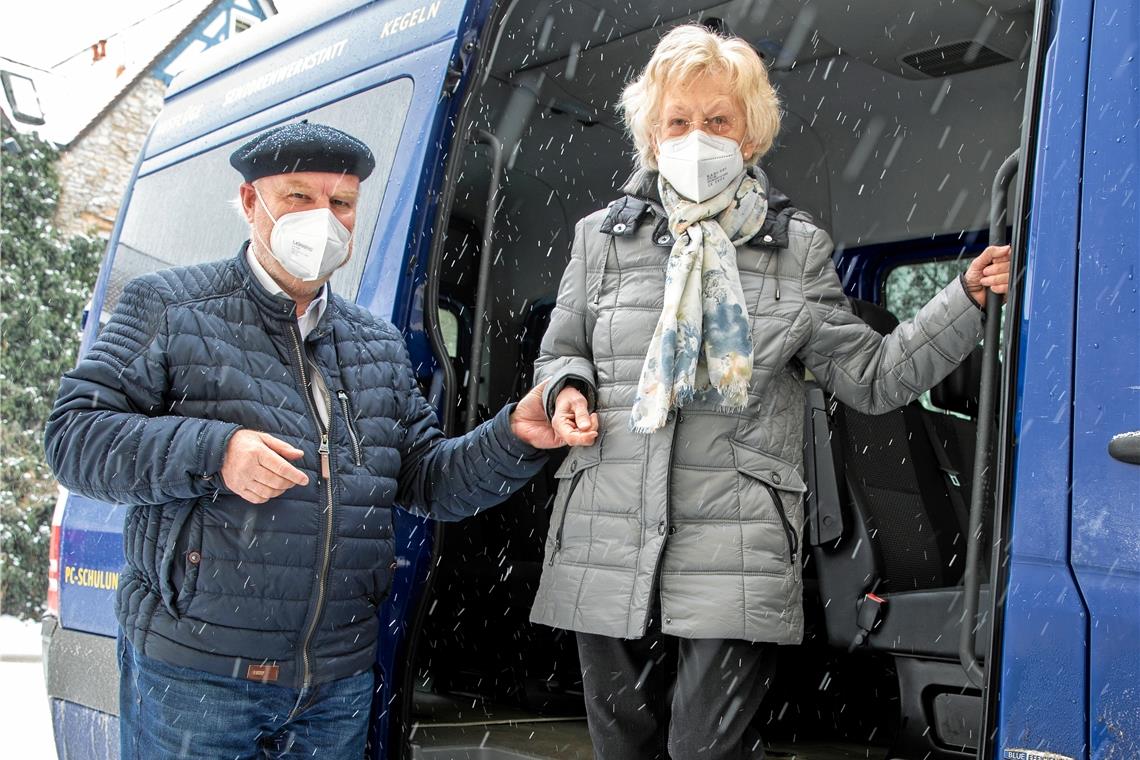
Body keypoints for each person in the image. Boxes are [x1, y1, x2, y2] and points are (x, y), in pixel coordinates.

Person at [529, 25, 1011, 760]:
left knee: (704, 750)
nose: (698, 137)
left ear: (749, 136)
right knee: (621, 748)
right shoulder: (601, 239)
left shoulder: (794, 248)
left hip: (737, 542)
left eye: (717, 120)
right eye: (679, 121)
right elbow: (563, 348)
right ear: (652, 138)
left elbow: (875, 378)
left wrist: (965, 298)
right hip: (607, 531)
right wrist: (567, 386)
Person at [44, 120, 563, 759]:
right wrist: (216, 452)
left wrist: (513, 435)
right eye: (299, 197)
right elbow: (73, 437)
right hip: (196, 678)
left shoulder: (376, 344)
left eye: (341, 203)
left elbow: (427, 480)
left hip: (333, 686)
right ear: (250, 202)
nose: (323, 219)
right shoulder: (168, 307)